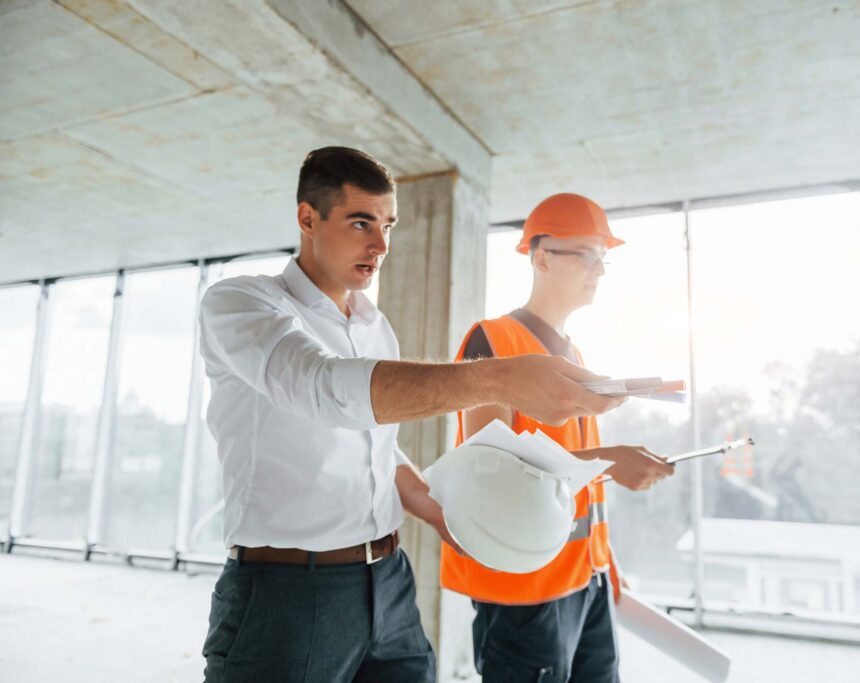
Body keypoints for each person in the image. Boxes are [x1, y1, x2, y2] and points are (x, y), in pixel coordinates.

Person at [198, 149, 623, 682]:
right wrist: (497, 378)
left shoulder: (375, 326)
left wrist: (436, 508)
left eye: (387, 225)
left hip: (390, 582)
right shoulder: (242, 303)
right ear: (308, 218)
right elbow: (324, 389)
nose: (380, 245)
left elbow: (375, 444)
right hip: (286, 593)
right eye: (360, 222)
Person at [441, 193, 676, 682]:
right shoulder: (492, 341)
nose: (601, 270)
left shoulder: (575, 353)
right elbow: (490, 469)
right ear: (542, 256)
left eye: (603, 258)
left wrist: (603, 562)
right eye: (588, 254)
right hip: (525, 587)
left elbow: (581, 485)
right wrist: (611, 460)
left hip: (584, 580)